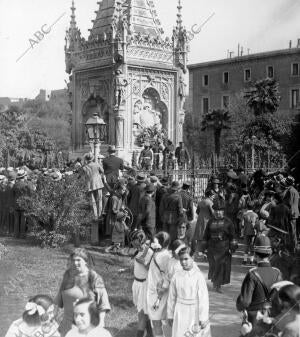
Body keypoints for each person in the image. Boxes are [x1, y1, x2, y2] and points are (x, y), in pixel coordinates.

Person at [55, 248, 111, 336]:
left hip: (85, 325)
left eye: (78, 260)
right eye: (73, 260)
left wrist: (101, 322)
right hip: (66, 325)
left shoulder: (94, 277)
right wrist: (54, 315)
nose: (75, 263)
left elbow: (103, 303)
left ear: (86, 261)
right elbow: (60, 297)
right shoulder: (68, 275)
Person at [236, 235, 282, 329]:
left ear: (255, 255)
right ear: (270, 254)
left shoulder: (252, 274)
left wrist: (239, 305)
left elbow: (244, 302)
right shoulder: (278, 273)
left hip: (254, 320)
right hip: (272, 319)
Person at [167, 246, 211, 337]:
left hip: (194, 312)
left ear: (192, 258)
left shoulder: (198, 276)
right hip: (180, 311)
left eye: (186, 259)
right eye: (181, 260)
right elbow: (171, 297)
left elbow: (203, 298)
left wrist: (203, 317)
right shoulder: (176, 276)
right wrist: (170, 314)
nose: (183, 262)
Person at [201, 199, 237, 293]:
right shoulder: (210, 222)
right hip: (212, 248)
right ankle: (215, 283)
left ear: (223, 211)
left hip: (224, 249)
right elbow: (206, 235)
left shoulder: (228, 222)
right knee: (213, 266)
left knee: (220, 267)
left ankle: (218, 285)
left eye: (220, 210)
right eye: (216, 210)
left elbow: (233, 236)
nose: (218, 212)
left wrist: (232, 248)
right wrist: (203, 249)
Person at [147, 232, 171, 337]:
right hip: (153, 291)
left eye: (155, 240)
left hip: (159, 293)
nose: (153, 242)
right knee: (156, 322)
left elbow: (168, 275)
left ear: (162, 242)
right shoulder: (157, 253)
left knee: (156, 321)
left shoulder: (165, 256)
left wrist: (163, 288)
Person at [129, 229, 153, 337]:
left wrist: (143, 262)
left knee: (142, 313)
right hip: (137, 283)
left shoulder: (148, 251)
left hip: (144, 285)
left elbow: (151, 269)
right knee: (143, 312)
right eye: (132, 240)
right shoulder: (138, 250)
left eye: (134, 240)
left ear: (141, 239)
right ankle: (151, 334)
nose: (132, 242)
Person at [80, 153, 104, 220]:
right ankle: (99, 214)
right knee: (99, 199)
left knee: (92, 200)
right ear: (92, 158)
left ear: (86, 159)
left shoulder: (84, 167)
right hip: (98, 183)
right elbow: (102, 171)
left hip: (90, 184)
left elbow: (81, 174)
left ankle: (95, 215)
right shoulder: (96, 164)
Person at [283, 176, 299, 247]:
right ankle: (293, 246)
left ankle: (293, 248)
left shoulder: (290, 191)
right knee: (293, 231)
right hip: (294, 212)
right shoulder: (295, 190)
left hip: (291, 213)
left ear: (287, 183)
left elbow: (289, 203)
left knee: (292, 231)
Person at [241, 201, 259, 265]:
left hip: (246, 232)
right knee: (252, 247)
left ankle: (245, 261)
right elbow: (257, 225)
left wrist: (242, 232)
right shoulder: (256, 215)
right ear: (253, 207)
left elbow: (242, 224)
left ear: (247, 207)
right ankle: (251, 261)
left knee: (246, 247)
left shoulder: (244, 214)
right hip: (254, 233)